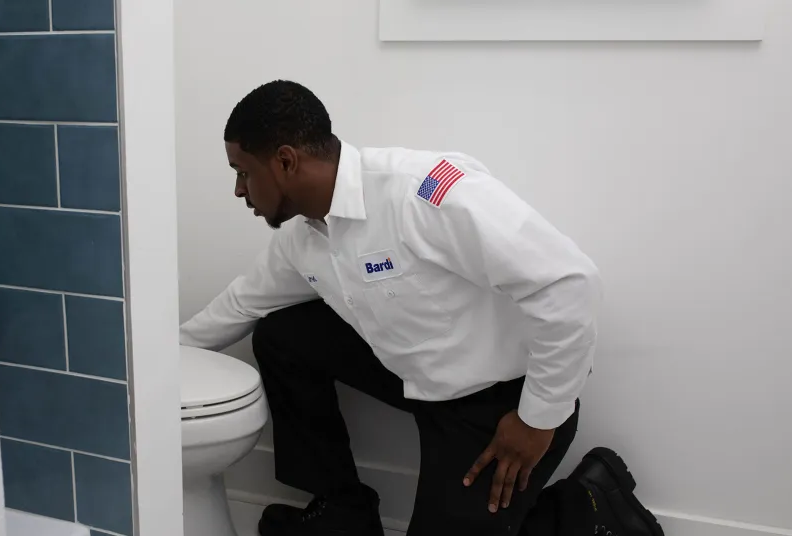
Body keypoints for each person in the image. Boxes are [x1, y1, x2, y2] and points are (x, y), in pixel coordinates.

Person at [179, 80, 663, 536]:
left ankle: (592, 503)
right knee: (280, 332)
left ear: (284, 161)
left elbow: (569, 283)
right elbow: (241, 303)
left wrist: (538, 419)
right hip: (417, 373)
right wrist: (157, 358)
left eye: (243, 172)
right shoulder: (302, 238)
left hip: (499, 404)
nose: (240, 190)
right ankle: (343, 512)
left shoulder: (421, 193)